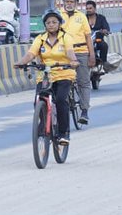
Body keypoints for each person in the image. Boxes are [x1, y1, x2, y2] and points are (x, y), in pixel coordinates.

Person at [13, 10, 79, 145]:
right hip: (45, 75)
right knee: (38, 101)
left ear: (59, 24)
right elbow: (31, 54)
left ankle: (63, 133)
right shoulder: (40, 39)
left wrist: (73, 61)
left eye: (54, 22)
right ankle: (44, 126)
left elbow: (70, 53)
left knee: (61, 100)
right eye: (48, 22)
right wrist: (21, 62)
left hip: (63, 73)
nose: (51, 25)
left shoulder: (66, 37)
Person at [59, 0, 96, 124]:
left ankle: (84, 111)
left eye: (72, 2)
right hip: (63, 52)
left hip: (81, 51)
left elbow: (88, 36)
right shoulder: (57, 15)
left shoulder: (81, 17)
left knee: (84, 82)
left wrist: (91, 55)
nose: (69, 4)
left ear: (76, 3)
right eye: (67, 2)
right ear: (63, 2)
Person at [84, 0, 110, 68]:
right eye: (87, 8)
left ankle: (104, 63)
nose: (88, 10)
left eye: (90, 8)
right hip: (86, 41)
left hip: (98, 40)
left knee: (104, 46)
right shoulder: (83, 18)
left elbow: (106, 28)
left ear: (95, 9)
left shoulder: (101, 18)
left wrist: (104, 31)